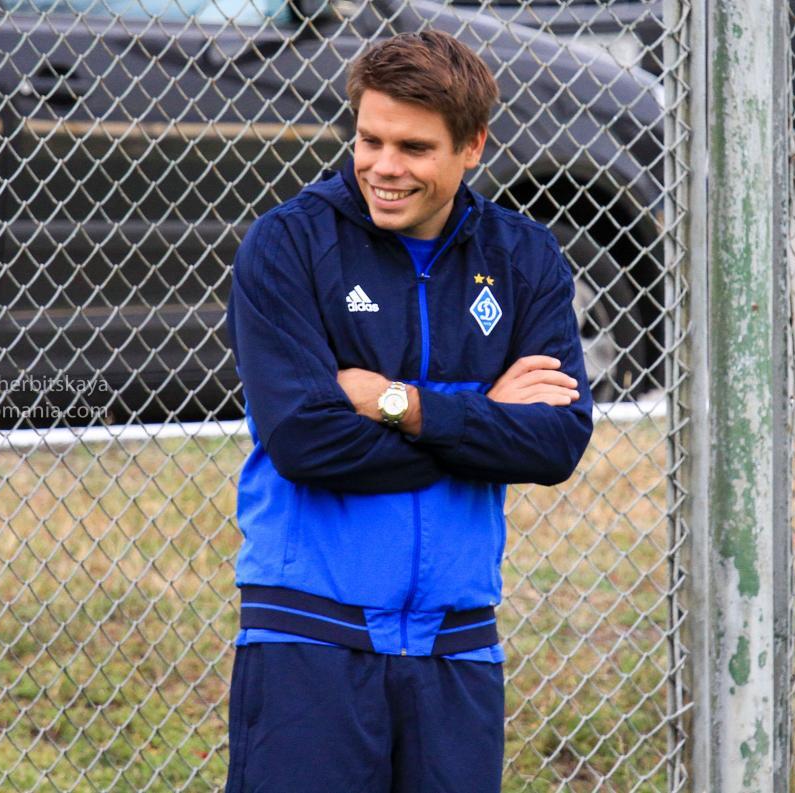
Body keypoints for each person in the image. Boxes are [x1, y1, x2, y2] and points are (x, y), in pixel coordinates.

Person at [225, 30, 593, 793]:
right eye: (370, 139)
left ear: (473, 145)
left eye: (415, 148)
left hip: (457, 642)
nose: (384, 167)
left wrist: (397, 402)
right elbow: (306, 440)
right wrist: (484, 418)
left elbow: (554, 441)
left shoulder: (524, 256)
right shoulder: (287, 244)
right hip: (309, 632)